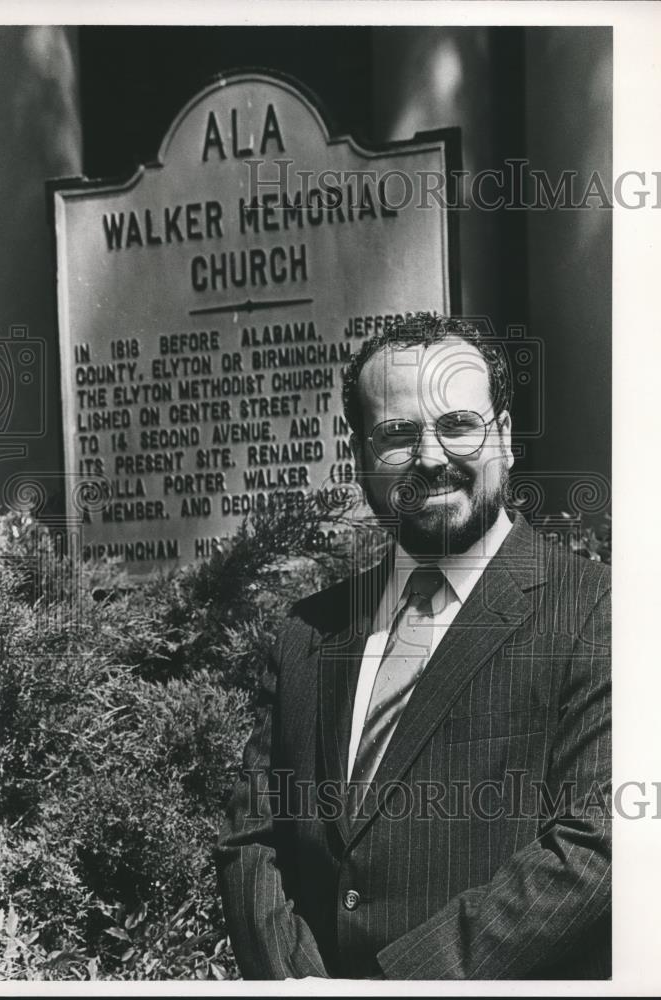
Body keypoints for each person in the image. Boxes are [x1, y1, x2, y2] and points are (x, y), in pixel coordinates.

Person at [215, 312, 611, 980]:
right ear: (361, 457)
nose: (431, 456)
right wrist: (296, 984)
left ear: (505, 438)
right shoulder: (309, 631)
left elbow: (596, 844)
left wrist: (396, 990)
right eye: (398, 434)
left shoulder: (593, 609)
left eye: (458, 425)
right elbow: (253, 836)